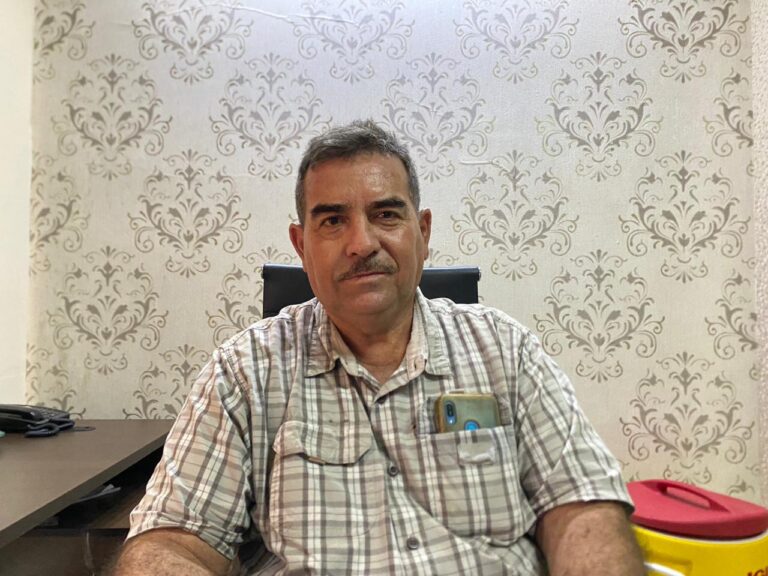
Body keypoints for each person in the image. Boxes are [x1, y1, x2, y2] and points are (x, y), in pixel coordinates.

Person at [113, 120, 646, 575]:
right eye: (333, 221)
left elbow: (582, 506)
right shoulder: (244, 373)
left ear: (423, 231)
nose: (362, 243)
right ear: (301, 246)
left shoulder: (506, 351)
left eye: (386, 215)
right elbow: (167, 542)